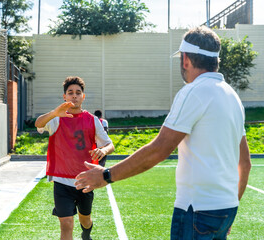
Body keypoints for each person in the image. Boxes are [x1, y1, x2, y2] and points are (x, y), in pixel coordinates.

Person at [75, 26, 251, 240]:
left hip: (197, 210)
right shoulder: (233, 96)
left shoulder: (193, 92)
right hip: (227, 208)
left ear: (185, 59)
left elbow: (159, 150)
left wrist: (106, 175)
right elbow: (245, 163)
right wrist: (230, 208)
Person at [35, 76, 115, 240]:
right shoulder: (56, 118)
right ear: (64, 96)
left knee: (85, 220)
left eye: (78, 93)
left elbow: (110, 144)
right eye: (70, 92)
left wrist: (103, 151)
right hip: (61, 182)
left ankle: (86, 233)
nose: (74, 95)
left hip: (85, 180)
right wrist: (53, 113)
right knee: (66, 225)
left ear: (83, 96)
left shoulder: (92, 120)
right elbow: (38, 124)